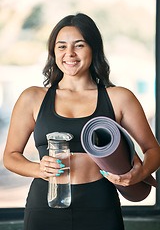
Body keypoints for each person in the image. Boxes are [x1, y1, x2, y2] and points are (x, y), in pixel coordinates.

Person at [3, 13, 160, 230]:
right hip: (45, 206)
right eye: (61, 46)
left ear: (93, 49)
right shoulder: (32, 97)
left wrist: (140, 174)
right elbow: (10, 157)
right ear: (53, 52)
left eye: (79, 45)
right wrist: (38, 168)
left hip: (100, 204)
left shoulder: (120, 98)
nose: (70, 53)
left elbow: (153, 149)